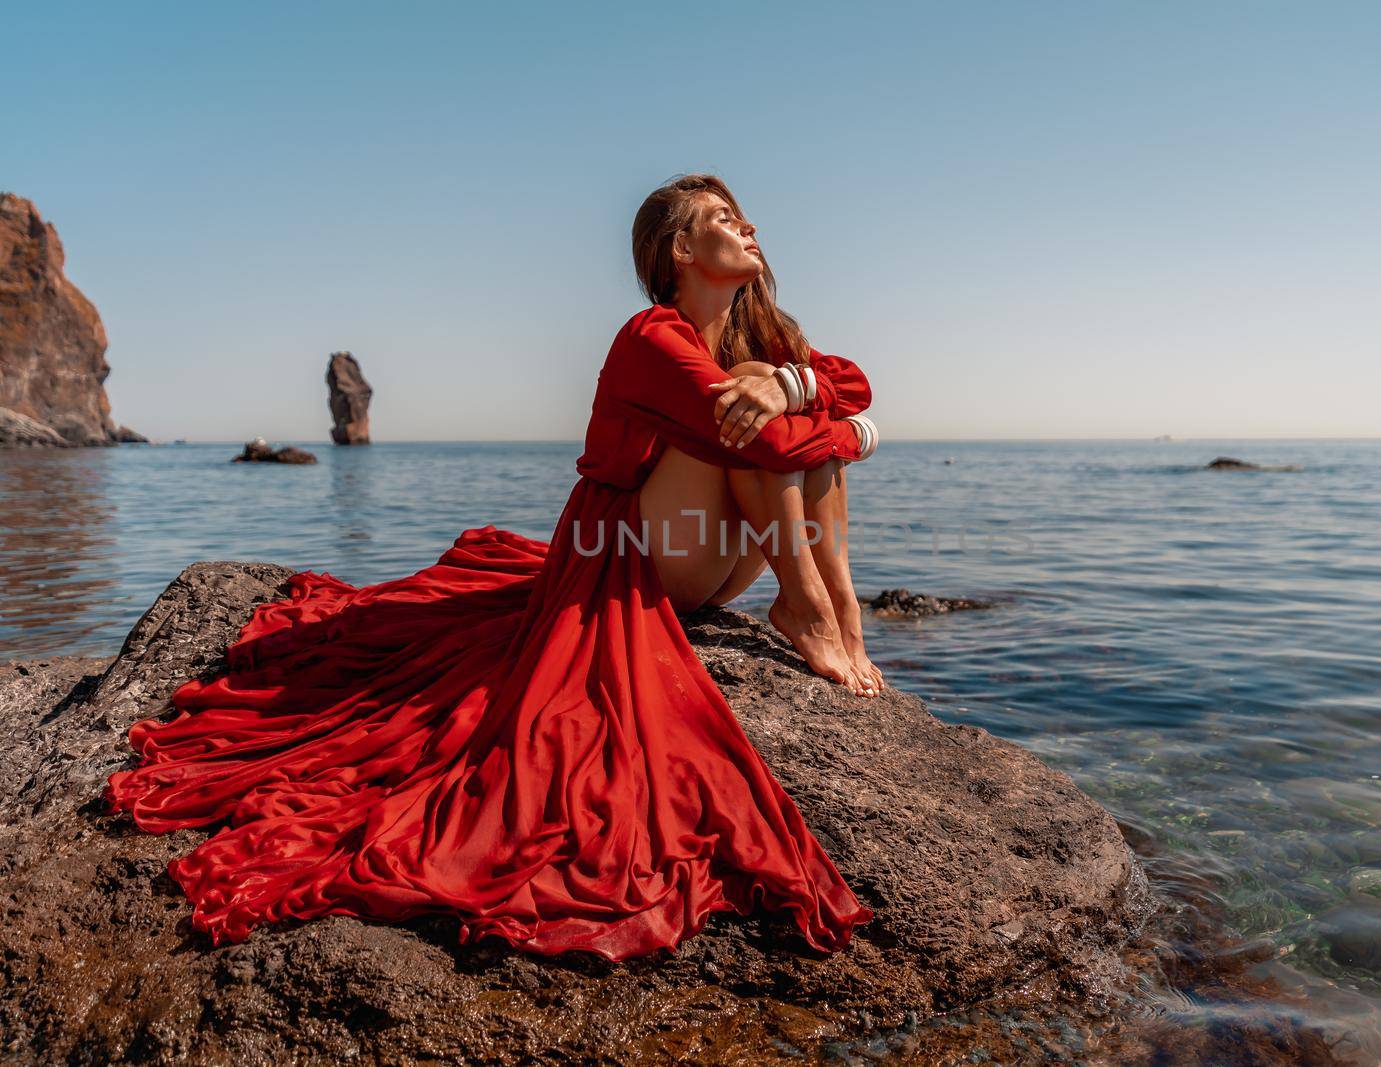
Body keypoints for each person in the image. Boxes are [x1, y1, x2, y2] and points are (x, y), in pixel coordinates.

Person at [102, 174, 882, 963]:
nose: (747, 227)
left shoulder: (757, 337)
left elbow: (855, 383)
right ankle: (810, 612)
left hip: (710, 554)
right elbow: (790, 441)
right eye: (722, 219)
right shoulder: (650, 337)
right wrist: (848, 428)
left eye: (743, 216)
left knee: (787, 413)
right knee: (772, 432)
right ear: (681, 252)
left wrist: (792, 383)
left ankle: (836, 612)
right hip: (635, 553)